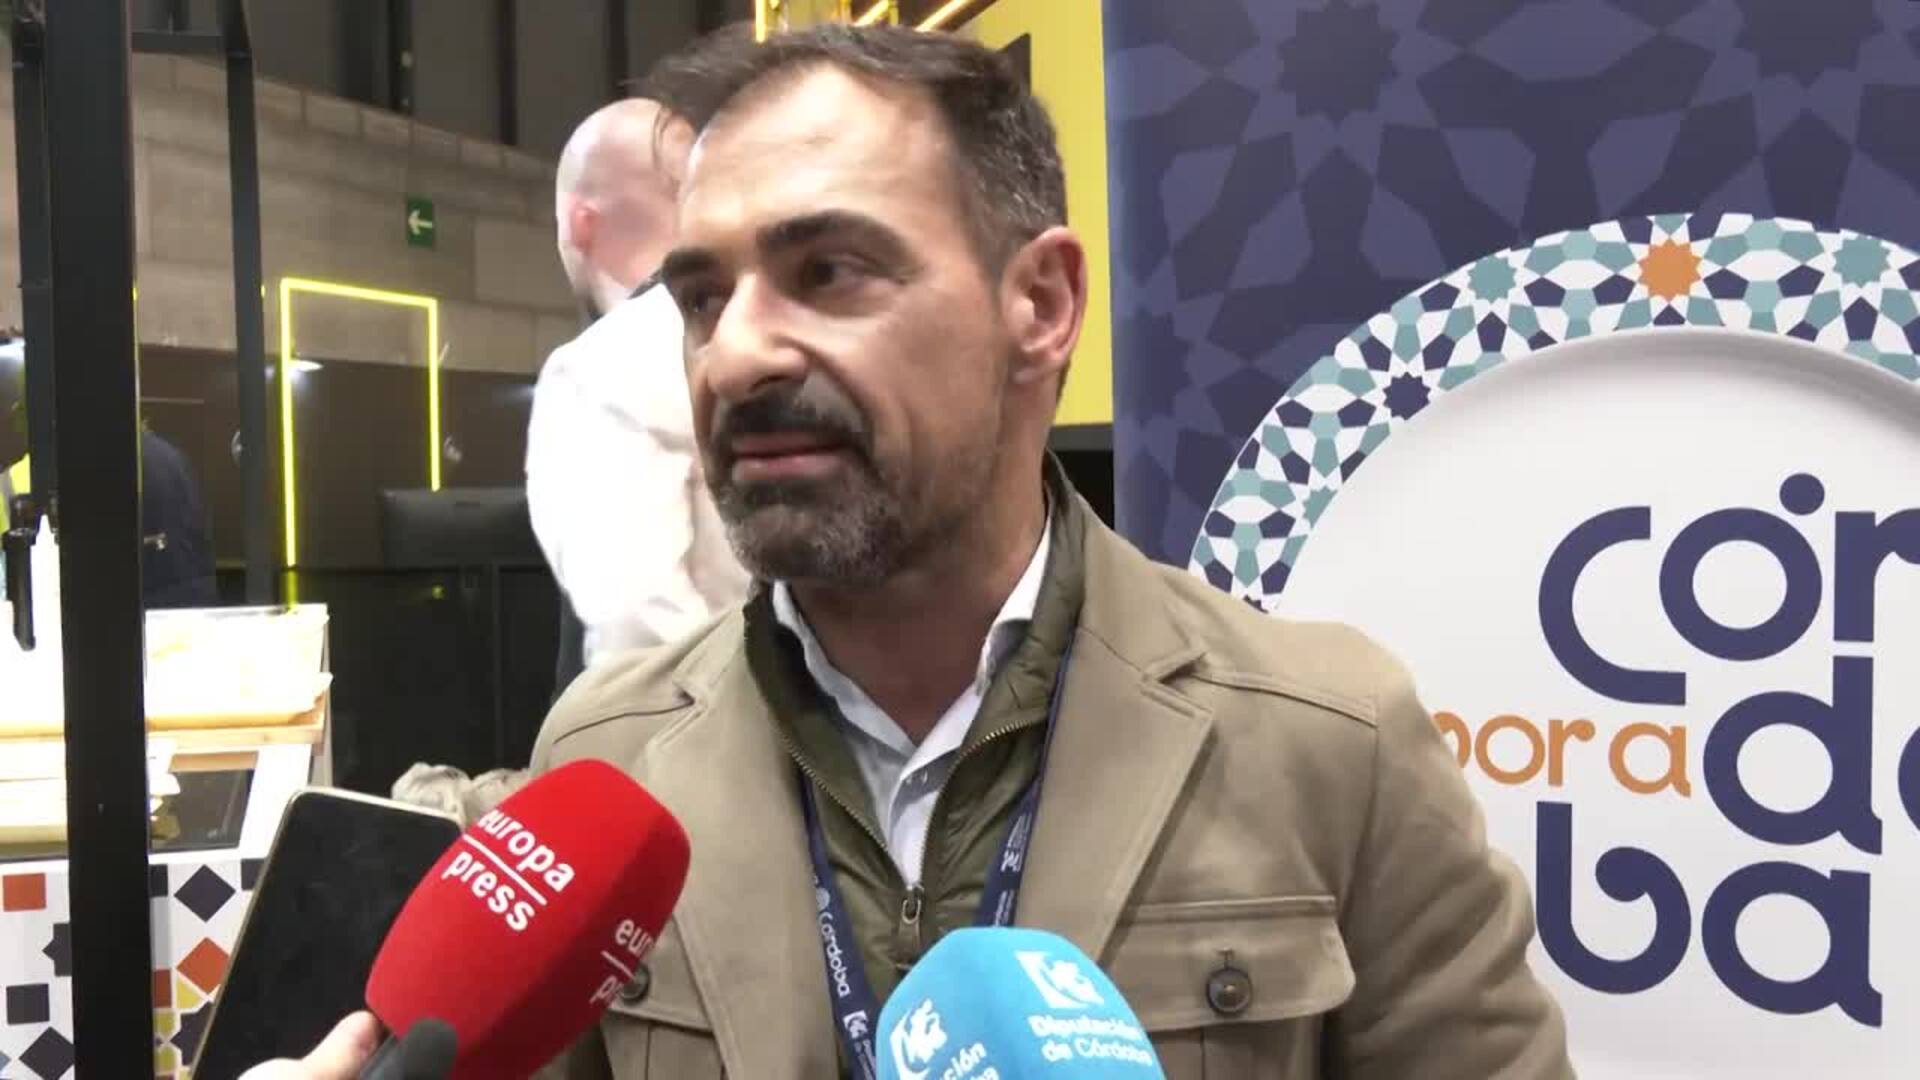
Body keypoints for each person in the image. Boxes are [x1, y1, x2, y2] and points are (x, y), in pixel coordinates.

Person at [251, 22, 1572, 1080]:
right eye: (703, 295)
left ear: (1039, 303)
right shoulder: (606, 756)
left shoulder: (1328, 741)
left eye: (829, 271)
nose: (735, 352)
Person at [529, 96, 748, 692]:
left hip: (700, 734)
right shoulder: (762, 331)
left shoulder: (599, 369)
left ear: (579, 223)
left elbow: (638, 640)